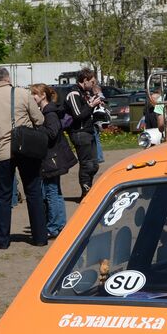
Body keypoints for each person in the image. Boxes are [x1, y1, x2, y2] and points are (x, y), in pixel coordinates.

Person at [0, 65, 45, 249]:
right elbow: (39, 120)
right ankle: (39, 237)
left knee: (3, 195)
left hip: (2, 152)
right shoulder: (22, 94)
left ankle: (2, 240)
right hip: (26, 149)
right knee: (33, 191)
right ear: (7, 78)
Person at [32, 83, 76, 239]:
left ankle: (56, 226)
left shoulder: (49, 113)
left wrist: (36, 128)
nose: (32, 97)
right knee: (54, 191)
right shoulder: (47, 111)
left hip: (52, 158)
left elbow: (52, 133)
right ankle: (59, 224)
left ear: (43, 95)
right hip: (52, 157)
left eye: (34, 94)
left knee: (52, 192)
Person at [63, 68, 104, 198]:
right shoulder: (73, 93)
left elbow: (87, 112)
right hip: (79, 133)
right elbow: (78, 115)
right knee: (87, 165)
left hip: (89, 131)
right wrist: (91, 105)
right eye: (92, 82)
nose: (93, 85)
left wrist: (97, 106)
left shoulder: (84, 92)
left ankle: (89, 189)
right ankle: (86, 193)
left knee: (94, 165)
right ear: (85, 80)